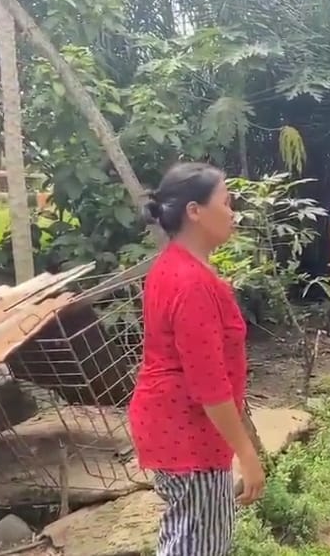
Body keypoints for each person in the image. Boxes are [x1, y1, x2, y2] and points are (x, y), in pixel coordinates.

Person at [128, 162, 265, 555]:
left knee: (186, 537)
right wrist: (247, 452)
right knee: (199, 546)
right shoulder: (192, 284)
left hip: (172, 427)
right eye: (226, 201)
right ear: (195, 211)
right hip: (188, 435)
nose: (233, 210)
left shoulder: (173, 265)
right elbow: (209, 387)